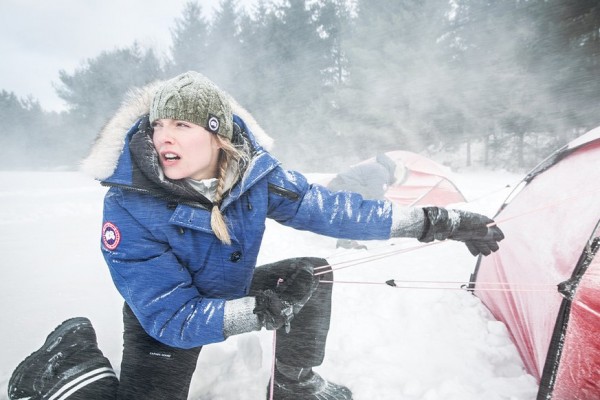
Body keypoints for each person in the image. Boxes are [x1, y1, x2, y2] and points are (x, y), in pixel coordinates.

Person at [8, 71, 504, 400]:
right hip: (164, 318)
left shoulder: (255, 177)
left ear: (217, 133)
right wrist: (255, 311)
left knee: (312, 276)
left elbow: (334, 210)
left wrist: (437, 222)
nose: (163, 137)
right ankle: (71, 362)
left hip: (223, 293)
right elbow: (169, 315)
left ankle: (293, 384)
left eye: (180, 124)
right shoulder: (129, 205)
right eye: (159, 125)